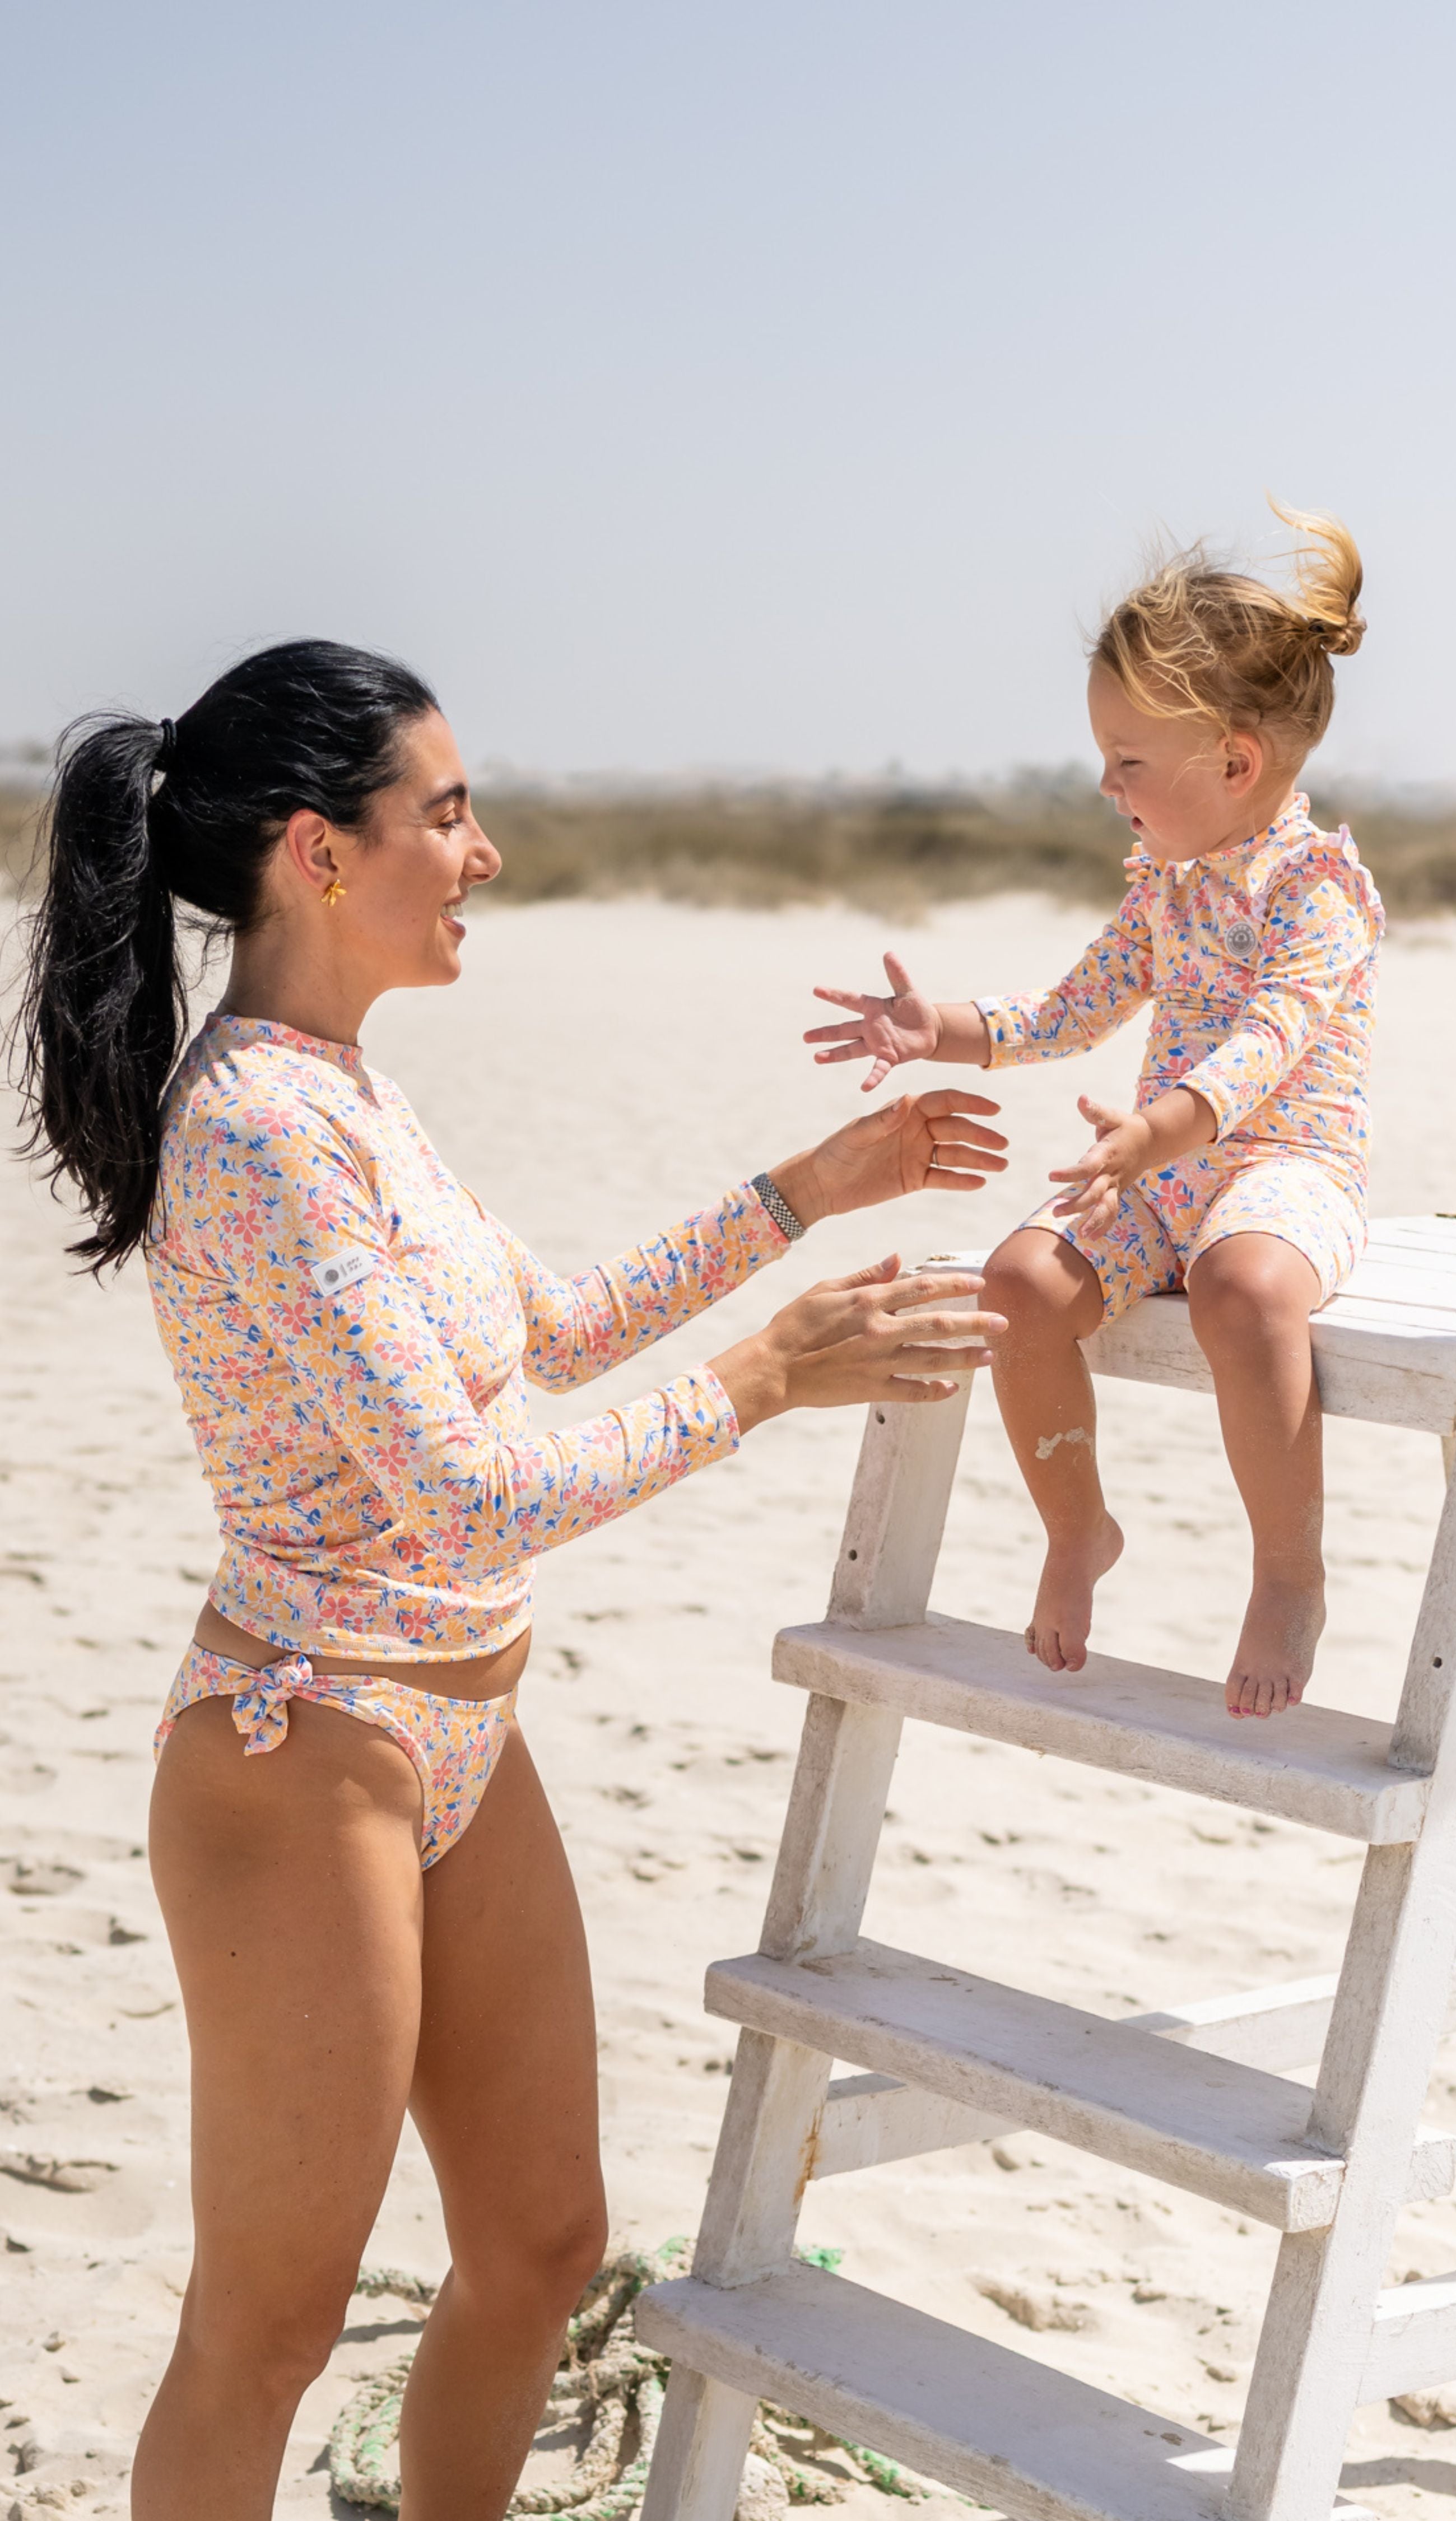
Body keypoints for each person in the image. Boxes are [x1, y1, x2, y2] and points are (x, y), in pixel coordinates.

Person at [13, 638, 1010, 2521]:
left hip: (465, 1738)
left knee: (543, 2243)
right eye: (449, 814)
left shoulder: (350, 1091)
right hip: (304, 1754)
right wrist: (765, 1377)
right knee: (270, 2327)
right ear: (320, 851)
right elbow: (472, 1499)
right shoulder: (258, 1128)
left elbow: (548, 1331)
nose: (484, 855)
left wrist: (809, 1189)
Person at [804, 505, 1382, 1719]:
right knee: (1016, 1286)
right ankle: (1079, 1527)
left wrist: (1156, 1133)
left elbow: (1267, 1048)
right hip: (1157, 1168)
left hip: (1284, 1168)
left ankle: (1289, 1572)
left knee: (1245, 1291)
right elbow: (1073, 1009)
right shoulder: (1168, 887)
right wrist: (937, 1027)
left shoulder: (1316, 891)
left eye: (1129, 762)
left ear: (1234, 764)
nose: (1105, 783)